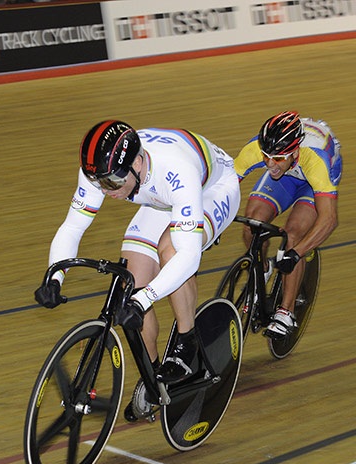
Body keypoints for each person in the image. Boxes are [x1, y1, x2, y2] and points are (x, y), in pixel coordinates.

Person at [35, 120, 240, 420]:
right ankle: (155, 378)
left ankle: (187, 340)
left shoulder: (176, 171)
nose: (108, 191)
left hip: (212, 189)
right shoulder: (100, 170)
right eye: (102, 184)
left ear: (138, 162)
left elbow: (188, 257)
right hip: (160, 199)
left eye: (114, 184)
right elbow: (73, 226)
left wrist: (146, 299)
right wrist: (55, 276)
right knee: (130, 285)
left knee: (171, 250)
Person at [234, 111, 341, 338]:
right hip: (288, 175)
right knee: (253, 222)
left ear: (295, 151)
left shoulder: (316, 159)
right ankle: (263, 271)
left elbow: (329, 220)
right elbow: (224, 188)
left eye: (278, 158)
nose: (270, 163)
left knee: (294, 236)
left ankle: (286, 312)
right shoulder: (258, 149)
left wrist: (296, 254)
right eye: (266, 156)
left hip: (313, 181)